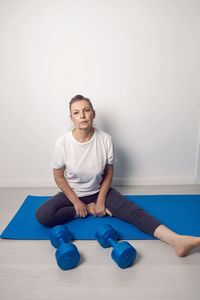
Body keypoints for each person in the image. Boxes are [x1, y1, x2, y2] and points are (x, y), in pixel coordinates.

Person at [35, 95, 200, 257]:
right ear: (71, 118)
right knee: (43, 214)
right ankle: (84, 210)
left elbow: (109, 173)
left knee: (134, 212)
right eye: (76, 112)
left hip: (99, 191)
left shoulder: (105, 139)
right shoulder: (62, 142)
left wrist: (100, 200)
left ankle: (177, 241)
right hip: (72, 193)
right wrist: (77, 203)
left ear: (93, 113)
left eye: (86, 110)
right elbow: (58, 177)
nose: (82, 115)